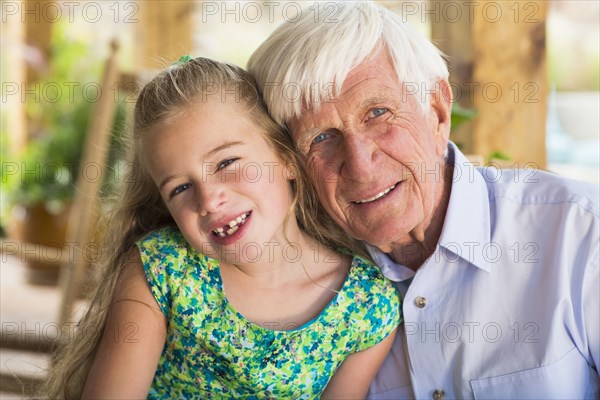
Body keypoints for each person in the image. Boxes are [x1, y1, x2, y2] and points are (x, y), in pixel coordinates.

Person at [248, 2, 599, 398]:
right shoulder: (300, 290)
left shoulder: (581, 235)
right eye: (321, 138)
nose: (361, 167)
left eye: (378, 113)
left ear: (437, 110)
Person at [44, 57, 400, 399]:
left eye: (227, 162)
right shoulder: (163, 269)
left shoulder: (366, 306)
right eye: (180, 188)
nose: (209, 200)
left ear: (287, 159)